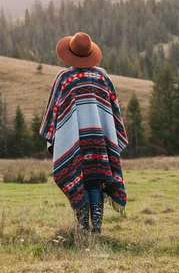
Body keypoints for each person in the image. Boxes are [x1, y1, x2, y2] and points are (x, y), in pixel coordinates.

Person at [40, 32, 128, 234]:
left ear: (70, 54)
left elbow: (55, 111)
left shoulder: (64, 78)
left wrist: (55, 138)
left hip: (74, 139)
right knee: (95, 179)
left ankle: (82, 225)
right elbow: (113, 109)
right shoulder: (102, 76)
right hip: (99, 139)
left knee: (80, 178)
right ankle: (96, 227)